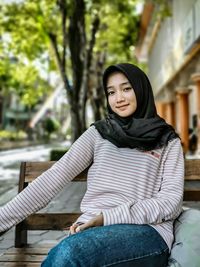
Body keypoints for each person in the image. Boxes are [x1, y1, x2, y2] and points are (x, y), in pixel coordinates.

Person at [0, 63, 184, 267]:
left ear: (141, 89)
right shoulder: (98, 134)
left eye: (126, 88)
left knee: (70, 253)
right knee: (69, 253)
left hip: (148, 232)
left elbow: (171, 202)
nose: (119, 98)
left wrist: (106, 217)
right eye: (111, 92)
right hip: (90, 232)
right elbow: (52, 179)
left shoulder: (167, 140)